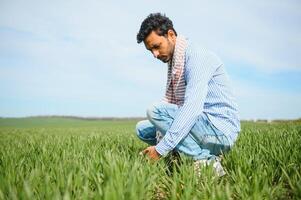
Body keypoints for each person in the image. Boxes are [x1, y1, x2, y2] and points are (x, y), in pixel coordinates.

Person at [135, 13, 240, 176]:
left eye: (156, 46)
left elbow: (192, 109)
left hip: (219, 133)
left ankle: (206, 161)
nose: (154, 55)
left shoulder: (196, 56)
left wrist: (160, 150)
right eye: (150, 51)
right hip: (202, 126)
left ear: (170, 35)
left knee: (155, 111)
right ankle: (185, 152)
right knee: (142, 129)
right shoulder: (175, 61)